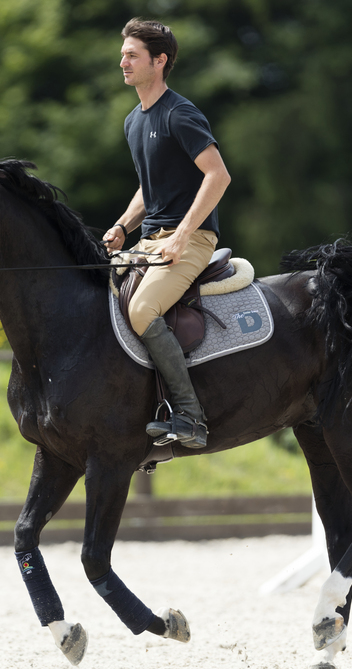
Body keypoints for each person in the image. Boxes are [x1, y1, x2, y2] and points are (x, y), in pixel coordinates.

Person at [103, 18, 231, 449]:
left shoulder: (180, 113)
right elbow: (150, 186)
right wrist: (124, 225)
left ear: (159, 61)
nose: (123, 60)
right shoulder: (133, 121)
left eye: (132, 55)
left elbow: (217, 176)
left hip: (191, 241)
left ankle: (191, 417)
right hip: (149, 240)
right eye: (123, 53)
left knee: (140, 310)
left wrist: (181, 235)